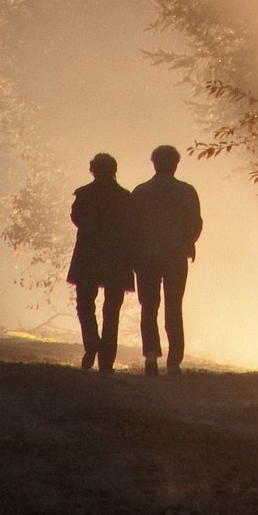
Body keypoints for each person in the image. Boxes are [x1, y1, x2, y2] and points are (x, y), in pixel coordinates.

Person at [128, 143, 202, 376]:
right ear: (176, 164)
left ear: (154, 163)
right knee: (174, 306)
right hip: (175, 256)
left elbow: (131, 226)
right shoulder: (187, 191)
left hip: (146, 256)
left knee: (149, 306)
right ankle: (174, 361)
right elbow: (195, 224)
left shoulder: (140, 191)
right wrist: (186, 242)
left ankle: (151, 356)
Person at [66, 152, 134, 373]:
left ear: (92, 170)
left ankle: (92, 342)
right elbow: (131, 227)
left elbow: (77, 220)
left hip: (88, 256)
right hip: (116, 257)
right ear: (114, 171)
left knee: (84, 304)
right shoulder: (126, 197)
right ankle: (107, 360)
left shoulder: (84, 195)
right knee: (112, 309)